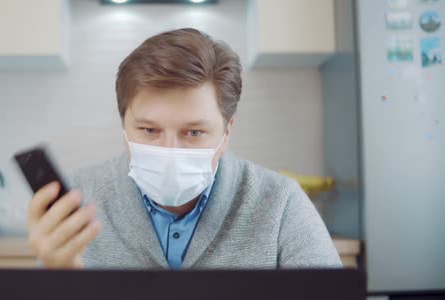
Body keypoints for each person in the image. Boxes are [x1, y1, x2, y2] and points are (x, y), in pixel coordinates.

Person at [27, 28, 342, 269]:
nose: (169, 150)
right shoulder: (78, 197)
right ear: (124, 127)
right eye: (149, 130)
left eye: (193, 132)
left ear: (227, 130)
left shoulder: (280, 203)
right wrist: (58, 278)